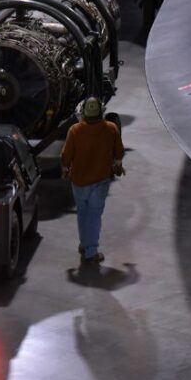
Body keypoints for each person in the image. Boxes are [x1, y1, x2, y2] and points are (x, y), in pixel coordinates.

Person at [61, 97, 124, 264]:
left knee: (82, 213)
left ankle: (84, 244)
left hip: (78, 181)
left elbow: (66, 156)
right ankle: (92, 252)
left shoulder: (74, 130)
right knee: (94, 215)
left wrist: (65, 168)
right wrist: (118, 165)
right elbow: (119, 152)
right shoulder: (111, 129)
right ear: (101, 111)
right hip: (100, 180)